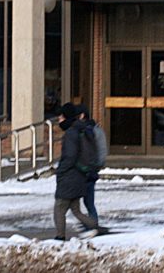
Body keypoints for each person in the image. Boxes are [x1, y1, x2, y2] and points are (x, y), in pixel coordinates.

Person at [53, 103, 99, 241]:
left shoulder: (71, 133)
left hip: (69, 177)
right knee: (75, 210)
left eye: (61, 117)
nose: (59, 120)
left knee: (59, 208)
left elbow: (70, 156)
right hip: (79, 176)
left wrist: (60, 171)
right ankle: (95, 226)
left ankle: (60, 237)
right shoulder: (81, 130)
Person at [75, 104, 108, 232]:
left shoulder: (91, 131)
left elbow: (101, 150)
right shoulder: (93, 129)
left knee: (88, 201)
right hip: (90, 169)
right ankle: (89, 223)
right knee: (87, 200)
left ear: (82, 116)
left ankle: (92, 224)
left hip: (89, 170)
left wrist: (96, 165)